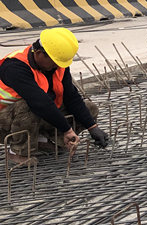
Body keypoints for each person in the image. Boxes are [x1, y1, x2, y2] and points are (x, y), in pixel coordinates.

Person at [0, 27, 108, 165]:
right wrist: (67, 130)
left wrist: (92, 127)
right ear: (39, 53)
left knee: (90, 108)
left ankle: (42, 141)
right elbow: (39, 102)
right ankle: (18, 151)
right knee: (29, 105)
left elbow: (71, 97)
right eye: (55, 62)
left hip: (31, 116)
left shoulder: (57, 65)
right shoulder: (14, 67)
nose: (57, 66)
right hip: (4, 121)